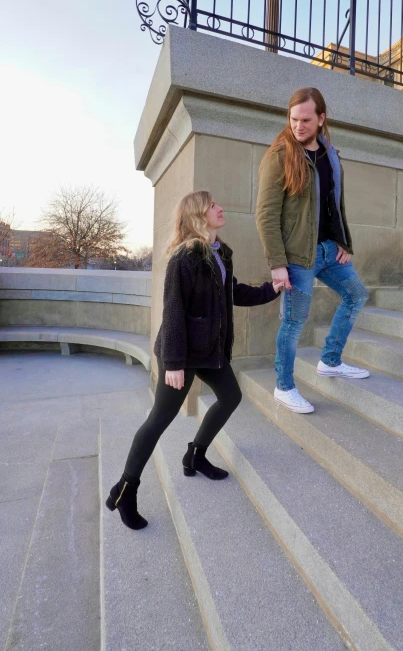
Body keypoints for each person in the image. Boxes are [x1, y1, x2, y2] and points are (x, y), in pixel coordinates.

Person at [106, 191, 282, 529]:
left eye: (218, 203)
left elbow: (233, 293)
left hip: (209, 350)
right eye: (213, 205)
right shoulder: (183, 260)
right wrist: (173, 363)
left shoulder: (219, 254)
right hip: (182, 353)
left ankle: (195, 455)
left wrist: (269, 290)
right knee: (159, 419)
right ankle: (125, 489)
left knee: (230, 397)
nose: (220, 207)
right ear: (199, 215)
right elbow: (173, 312)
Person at [256, 87, 369, 415]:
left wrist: (343, 243)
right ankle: (284, 386)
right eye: (294, 119)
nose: (298, 126)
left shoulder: (331, 154)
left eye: (306, 119)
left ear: (321, 119)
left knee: (356, 295)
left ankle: (330, 360)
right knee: (293, 322)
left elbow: (335, 204)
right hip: (297, 258)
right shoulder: (279, 157)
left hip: (328, 251)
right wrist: (277, 264)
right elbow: (265, 215)